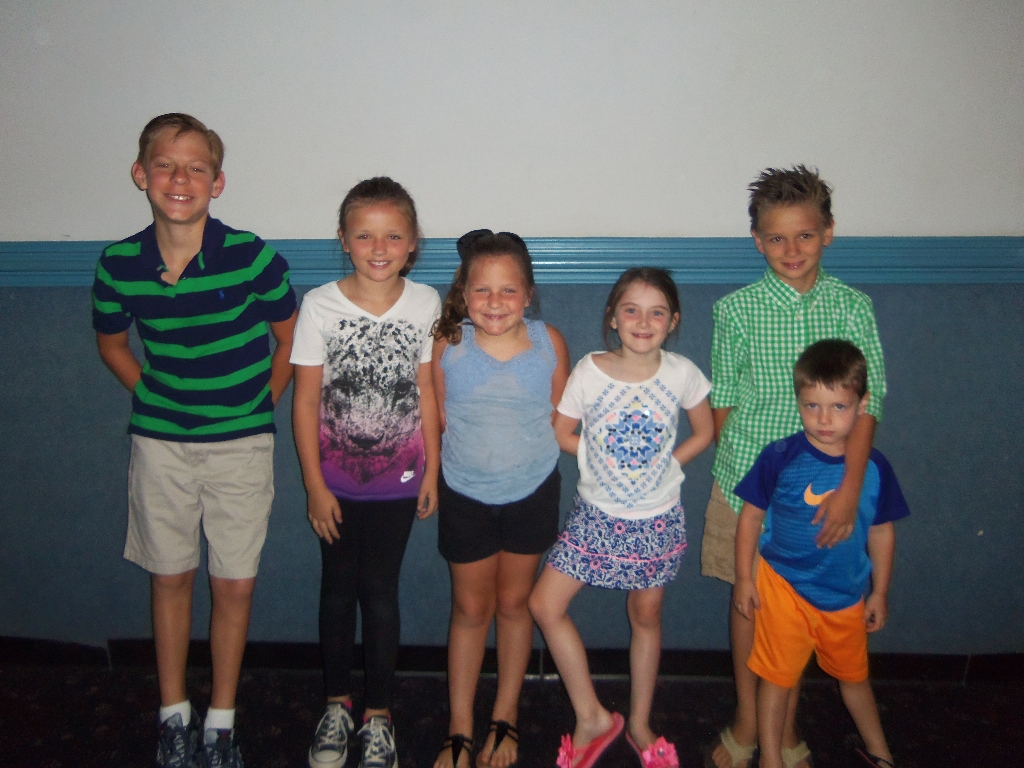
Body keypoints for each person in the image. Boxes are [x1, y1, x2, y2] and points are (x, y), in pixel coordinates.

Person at [92, 113, 298, 768]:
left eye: (196, 168)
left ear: (217, 182)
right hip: (161, 447)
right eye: (165, 165)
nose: (179, 178)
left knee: (233, 584)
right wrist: (152, 396)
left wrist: (259, 403)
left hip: (241, 445)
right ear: (141, 174)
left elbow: (291, 339)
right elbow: (111, 343)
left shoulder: (251, 255)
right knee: (170, 576)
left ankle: (221, 721)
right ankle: (174, 714)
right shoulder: (119, 263)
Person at [702, 166, 887, 768]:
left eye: (805, 235)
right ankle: (748, 717)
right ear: (757, 240)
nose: (791, 249)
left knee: (801, 604)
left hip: (826, 491)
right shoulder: (736, 310)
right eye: (777, 237)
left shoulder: (853, 308)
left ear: (827, 233)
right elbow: (725, 398)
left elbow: (871, 401)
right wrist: (754, 484)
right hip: (749, 487)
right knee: (751, 598)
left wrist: (850, 488)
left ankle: (784, 727)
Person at [530, 268, 714, 768]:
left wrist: (669, 464)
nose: (643, 321)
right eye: (631, 310)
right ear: (613, 318)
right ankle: (591, 716)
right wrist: (600, 457)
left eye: (657, 312)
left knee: (646, 615)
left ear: (673, 321)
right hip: (596, 516)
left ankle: (639, 722)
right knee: (545, 604)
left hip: (656, 519)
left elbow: (705, 431)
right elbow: (562, 432)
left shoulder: (682, 372)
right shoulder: (589, 370)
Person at [290, 177, 442, 768]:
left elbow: (426, 389)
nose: (379, 248)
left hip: (398, 480)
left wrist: (430, 469)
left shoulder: (425, 303)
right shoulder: (319, 304)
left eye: (393, 236)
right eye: (364, 235)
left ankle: (378, 714)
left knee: (380, 593)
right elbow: (305, 399)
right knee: (336, 591)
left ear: (413, 242)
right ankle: (336, 706)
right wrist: (314, 485)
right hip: (335, 481)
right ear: (343, 239)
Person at [430, 230, 571, 768]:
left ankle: (504, 717)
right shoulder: (448, 344)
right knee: (470, 608)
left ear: (528, 294)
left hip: (531, 492)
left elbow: (561, 414)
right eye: (482, 290)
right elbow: (440, 416)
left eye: (508, 290)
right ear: (464, 294)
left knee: (514, 605)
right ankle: (459, 727)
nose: (495, 302)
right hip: (464, 493)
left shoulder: (549, 341)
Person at [733, 339, 907, 768]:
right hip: (783, 587)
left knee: (855, 679)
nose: (824, 419)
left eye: (838, 407)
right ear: (798, 402)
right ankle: (771, 759)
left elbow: (881, 532)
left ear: (862, 405)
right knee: (777, 679)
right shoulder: (779, 456)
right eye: (812, 406)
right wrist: (744, 578)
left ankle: (881, 753)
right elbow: (750, 518)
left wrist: (880, 592)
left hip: (844, 595)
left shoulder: (875, 468)